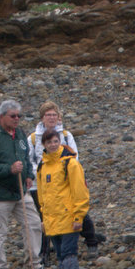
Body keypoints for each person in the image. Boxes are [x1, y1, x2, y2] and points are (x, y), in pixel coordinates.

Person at [27, 101, 104, 260]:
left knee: (77, 211)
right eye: (48, 115)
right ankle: (45, 251)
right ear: (42, 117)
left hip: (65, 182)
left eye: (54, 114)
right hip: (39, 184)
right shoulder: (33, 138)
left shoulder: (67, 136)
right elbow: (29, 160)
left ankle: (91, 241)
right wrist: (42, 172)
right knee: (45, 216)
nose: (51, 117)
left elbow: (75, 156)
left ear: (59, 117)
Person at [0, 99, 43, 269]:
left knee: (34, 224)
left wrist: (28, 175)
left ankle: (33, 264)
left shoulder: (20, 134)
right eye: (13, 116)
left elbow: (26, 157)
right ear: (2, 116)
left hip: (20, 192)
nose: (17, 119)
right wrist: (9, 169)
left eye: (19, 116)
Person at [36, 128, 91, 269]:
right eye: (49, 142)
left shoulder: (70, 164)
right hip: (52, 219)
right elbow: (42, 197)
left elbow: (80, 192)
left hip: (68, 217)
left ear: (60, 142)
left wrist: (78, 216)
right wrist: (44, 219)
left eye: (55, 141)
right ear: (43, 144)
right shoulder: (42, 166)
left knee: (68, 253)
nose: (53, 145)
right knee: (60, 254)